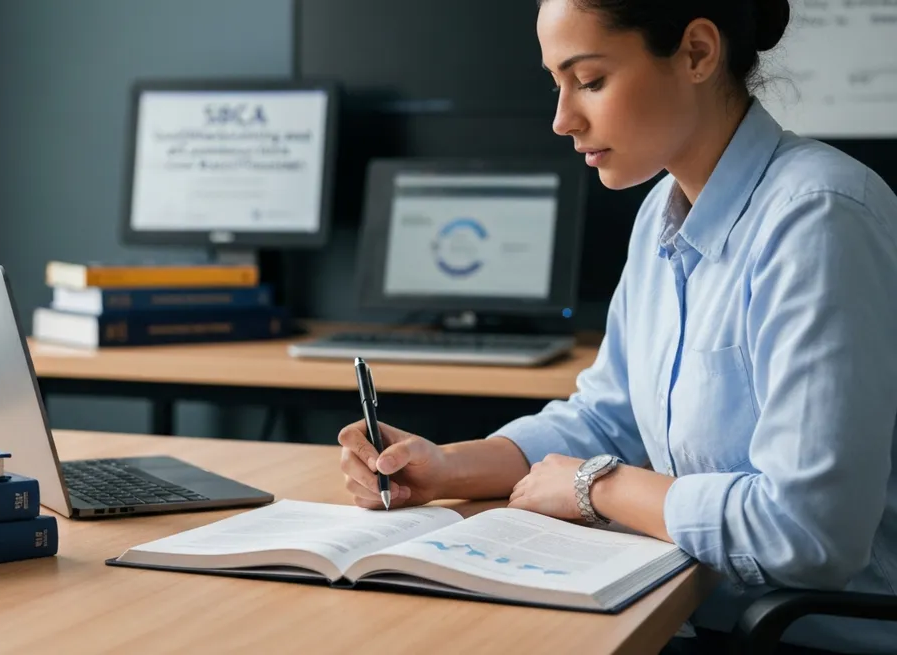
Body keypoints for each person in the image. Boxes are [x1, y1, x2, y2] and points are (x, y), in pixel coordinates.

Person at [336, 1, 897, 653]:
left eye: (591, 80)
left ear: (696, 53)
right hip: (685, 611)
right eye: (558, 84)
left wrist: (598, 486)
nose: (562, 118)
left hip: (802, 637)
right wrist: (444, 468)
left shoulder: (820, 221)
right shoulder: (662, 207)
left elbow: (807, 533)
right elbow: (608, 417)